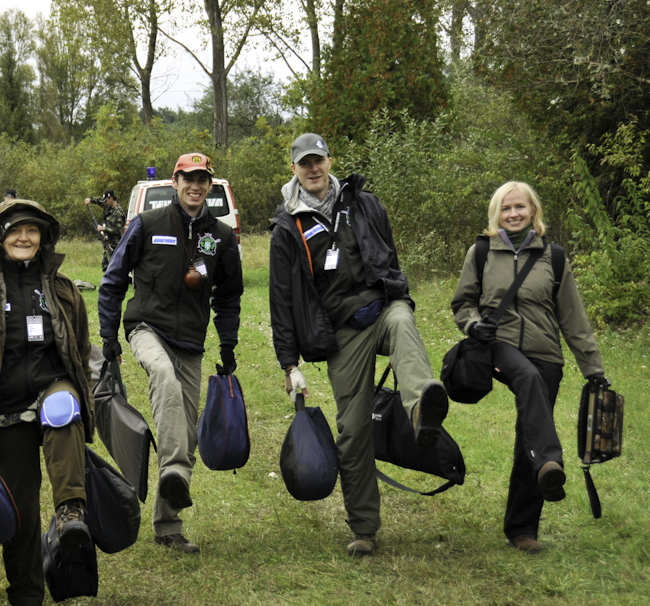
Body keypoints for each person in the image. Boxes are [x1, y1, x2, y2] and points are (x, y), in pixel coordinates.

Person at [268, 133, 449, 558]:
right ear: (294, 169)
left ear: (330, 161)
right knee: (352, 432)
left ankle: (422, 406)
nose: (313, 169)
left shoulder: (365, 204)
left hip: (382, 309)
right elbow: (281, 298)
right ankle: (364, 527)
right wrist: (288, 363)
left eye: (319, 160)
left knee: (403, 321)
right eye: (304, 163)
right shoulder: (286, 227)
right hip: (341, 333)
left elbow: (390, 256)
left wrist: (399, 294)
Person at [0, 198, 95, 606]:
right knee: (21, 514)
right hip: (1, 411)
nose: (24, 237)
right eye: (15, 230)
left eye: (32, 230)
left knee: (61, 405)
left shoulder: (65, 289)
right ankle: (28, 605)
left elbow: (81, 353)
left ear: (44, 238)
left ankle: (71, 511)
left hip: (53, 390)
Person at [98, 152, 243, 555]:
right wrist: (109, 336)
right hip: (146, 326)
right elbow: (113, 281)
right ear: (175, 182)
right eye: (188, 178)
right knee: (162, 376)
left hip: (191, 341)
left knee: (185, 428)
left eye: (202, 180)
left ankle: (167, 525)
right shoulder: (147, 224)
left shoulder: (222, 238)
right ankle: (175, 471)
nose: (195, 186)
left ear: (210, 187)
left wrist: (227, 344)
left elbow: (229, 296)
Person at [451, 181, 608, 555]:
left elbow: (573, 318)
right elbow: (462, 304)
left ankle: (522, 528)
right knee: (528, 380)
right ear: (497, 214)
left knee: (530, 433)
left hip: (546, 353)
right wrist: (475, 325)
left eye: (520, 207)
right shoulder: (482, 251)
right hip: (499, 346)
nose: (514, 214)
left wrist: (593, 370)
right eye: (506, 209)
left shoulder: (554, 257)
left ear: (533, 211)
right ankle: (552, 460)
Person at [84, 190, 126, 271]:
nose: (105, 202)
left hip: (115, 244)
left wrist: (103, 229)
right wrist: (91, 200)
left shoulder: (118, 213)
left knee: (114, 267)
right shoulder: (108, 207)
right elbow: (100, 201)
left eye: (106, 200)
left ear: (111, 198)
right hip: (107, 241)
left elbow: (118, 230)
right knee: (105, 266)